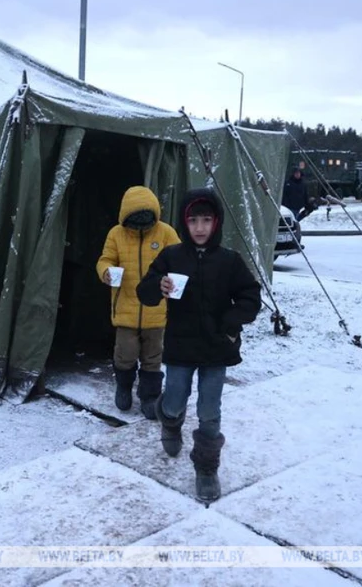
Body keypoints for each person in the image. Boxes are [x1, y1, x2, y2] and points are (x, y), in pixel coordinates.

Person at [137, 188, 261, 502]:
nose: (200, 227)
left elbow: (250, 297)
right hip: (181, 346)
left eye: (206, 220)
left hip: (217, 348)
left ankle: (206, 467)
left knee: (210, 410)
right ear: (184, 223)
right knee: (176, 399)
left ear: (216, 222)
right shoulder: (172, 256)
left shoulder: (230, 260)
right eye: (193, 220)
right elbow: (144, 291)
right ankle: (170, 419)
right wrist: (158, 285)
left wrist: (231, 323)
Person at [96, 186, 181, 419]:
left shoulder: (165, 233)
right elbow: (105, 259)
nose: (141, 223)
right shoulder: (116, 234)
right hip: (125, 308)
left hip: (157, 311)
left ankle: (150, 396)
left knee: (153, 357)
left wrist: (176, 277)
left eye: (145, 217)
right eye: (135, 218)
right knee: (125, 353)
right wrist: (105, 272)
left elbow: (179, 259)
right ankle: (123, 386)